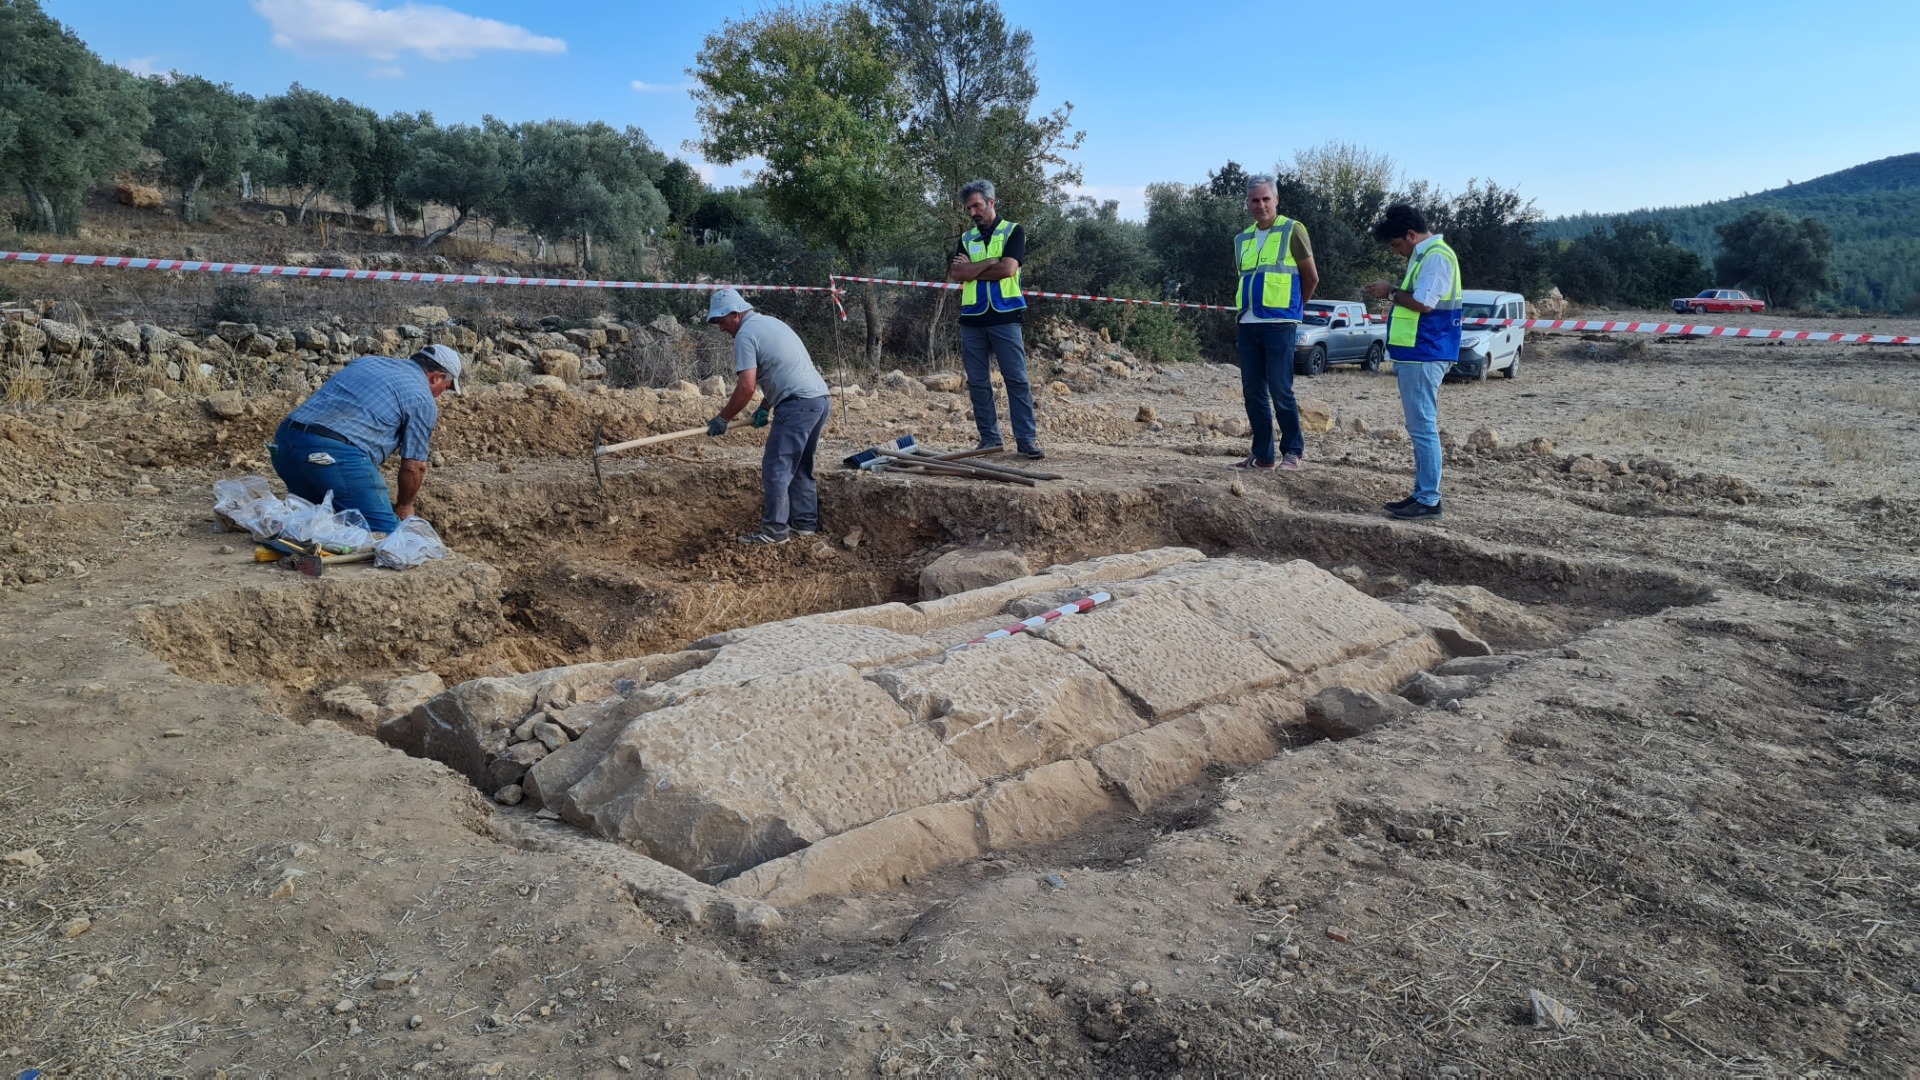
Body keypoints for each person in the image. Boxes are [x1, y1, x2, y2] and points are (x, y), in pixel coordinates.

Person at [269, 343, 461, 535]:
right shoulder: (422, 398)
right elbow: (414, 466)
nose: (440, 395)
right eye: (445, 388)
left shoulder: (367, 362)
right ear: (437, 377)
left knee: (312, 522)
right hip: (332, 454)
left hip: (284, 445)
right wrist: (404, 505)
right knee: (385, 536)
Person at [704, 288, 833, 545]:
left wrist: (723, 418)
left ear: (735, 314)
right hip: (819, 400)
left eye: (721, 321)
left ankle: (774, 532)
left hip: (796, 406)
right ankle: (805, 525)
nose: (721, 328)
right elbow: (783, 371)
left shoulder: (745, 335)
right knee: (800, 465)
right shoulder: (771, 324)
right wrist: (765, 406)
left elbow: (746, 386)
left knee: (776, 468)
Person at [1364, 202, 1463, 521]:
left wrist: (1390, 292)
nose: (1395, 252)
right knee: (1420, 426)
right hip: (1420, 352)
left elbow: (1423, 303)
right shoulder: (1427, 256)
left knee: (1422, 427)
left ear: (1410, 235)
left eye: (1396, 245)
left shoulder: (1435, 256)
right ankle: (1423, 495)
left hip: (1426, 352)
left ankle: (1429, 499)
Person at [946, 179, 1045, 460]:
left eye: (977, 205)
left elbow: (1008, 268)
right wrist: (990, 262)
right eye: (968, 208)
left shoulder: (1014, 231)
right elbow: (958, 275)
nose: (972, 213)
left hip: (1005, 316)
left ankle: (1027, 440)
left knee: (1016, 380)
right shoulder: (966, 238)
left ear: (991, 202)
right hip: (972, 319)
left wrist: (977, 269)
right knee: (977, 383)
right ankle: (989, 439)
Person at [1231, 175, 1319, 471]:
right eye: (1255, 200)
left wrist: (1295, 309)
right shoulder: (1242, 239)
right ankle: (1263, 455)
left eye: (1266, 199)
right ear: (1248, 203)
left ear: (1276, 200)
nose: (1261, 205)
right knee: (1253, 391)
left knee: (1281, 389)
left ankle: (1293, 452)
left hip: (1280, 323)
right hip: (1248, 323)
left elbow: (1311, 277)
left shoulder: (1293, 230)